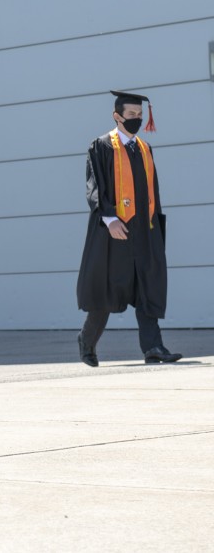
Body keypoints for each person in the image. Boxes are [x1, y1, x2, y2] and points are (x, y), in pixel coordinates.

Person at [76, 90, 181, 367]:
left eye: (140, 115)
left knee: (148, 286)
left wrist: (155, 228)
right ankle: (87, 343)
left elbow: (152, 194)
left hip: (144, 231)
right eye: (132, 115)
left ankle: (153, 347)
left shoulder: (145, 149)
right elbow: (94, 186)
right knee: (108, 290)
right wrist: (109, 219)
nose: (137, 119)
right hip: (114, 230)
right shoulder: (101, 146)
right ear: (117, 116)